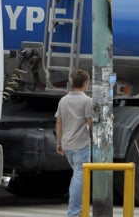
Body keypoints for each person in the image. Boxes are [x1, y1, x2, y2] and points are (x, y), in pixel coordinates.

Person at [55, 69, 93, 217]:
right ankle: (75, 211)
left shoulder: (63, 100)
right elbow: (90, 122)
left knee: (76, 175)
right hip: (81, 144)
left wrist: (59, 143)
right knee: (79, 176)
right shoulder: (86, 101)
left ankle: (78, 209)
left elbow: (59, 122)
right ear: (85, 83)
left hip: (67, 144)